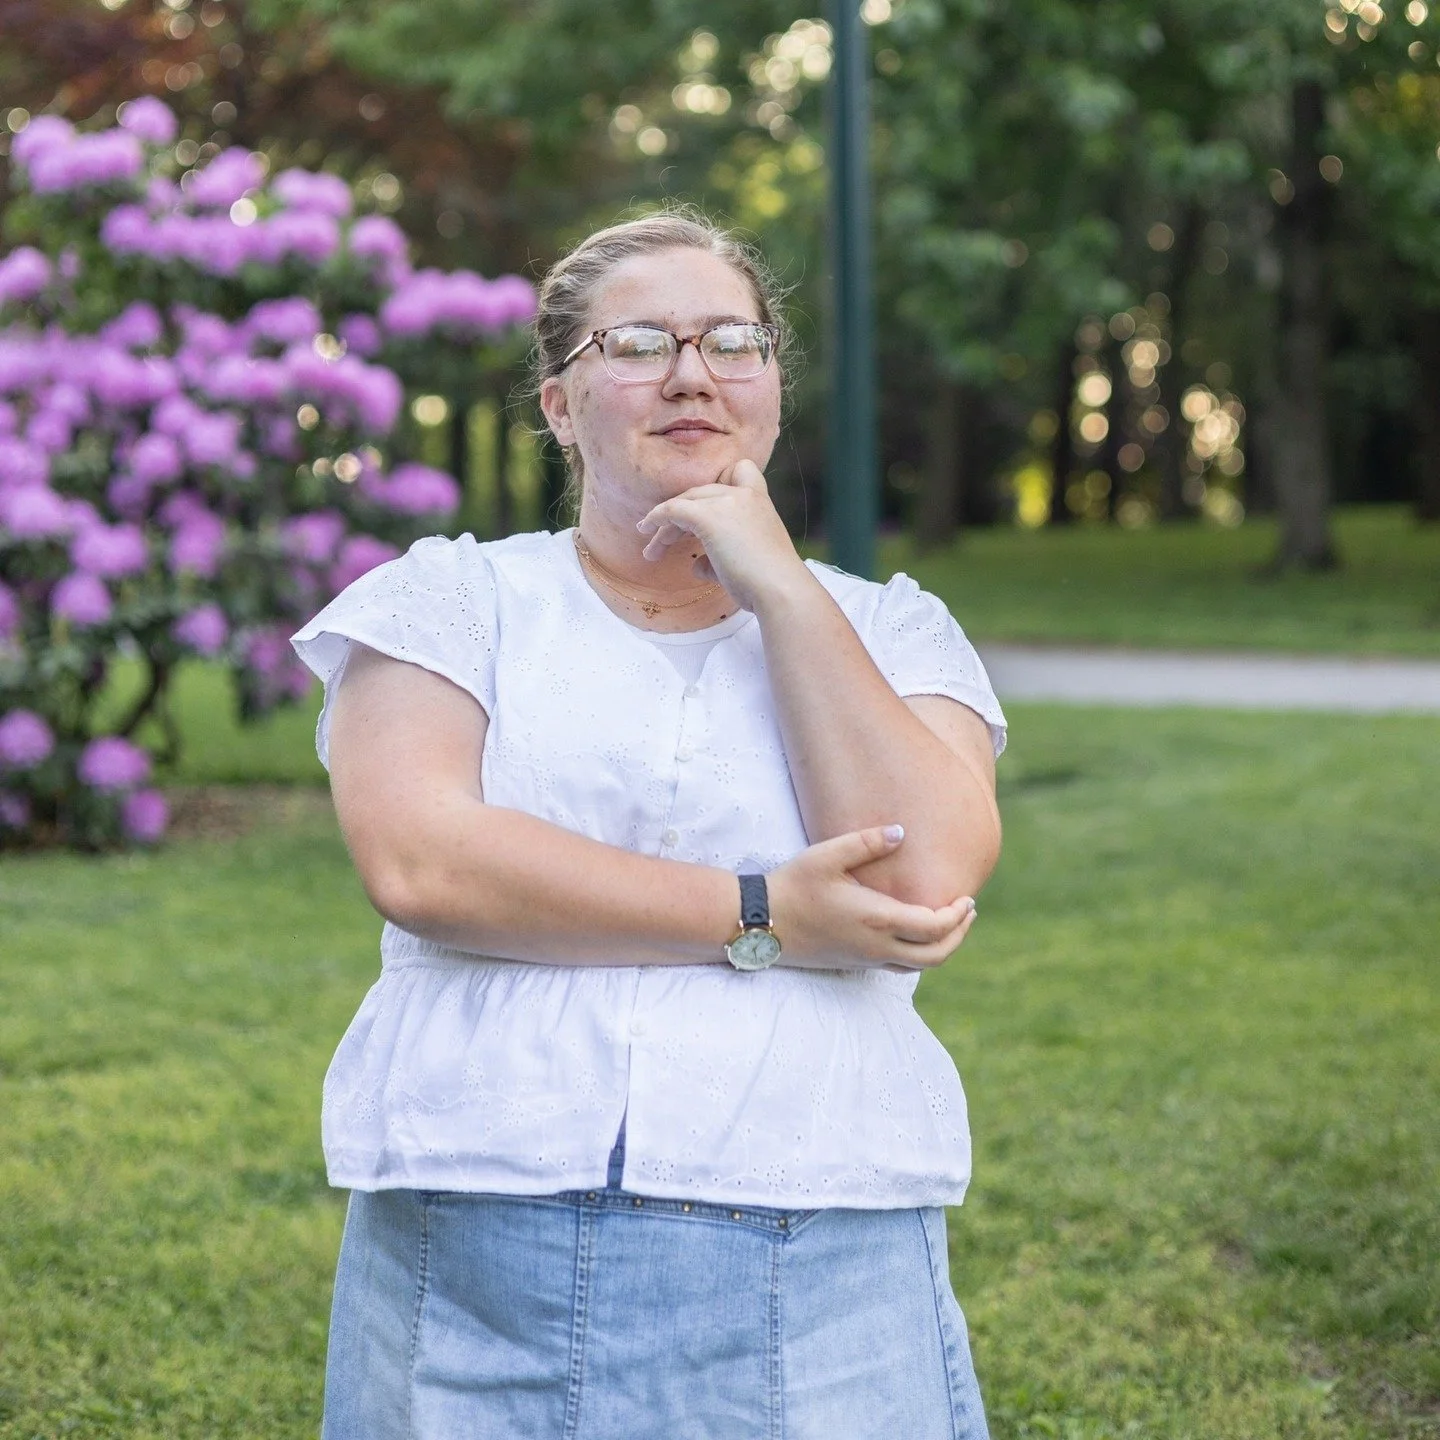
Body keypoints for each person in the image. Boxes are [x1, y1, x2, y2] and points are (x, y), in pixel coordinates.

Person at [291, 210, 1006, 1440]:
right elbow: (423, 860)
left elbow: (923, 874)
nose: (690, 372)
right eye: (635, 343)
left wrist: (777, 583)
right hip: (484, 1234)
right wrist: (765, 912)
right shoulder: (448, 602)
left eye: (733, 339)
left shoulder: (890, 628)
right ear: (561, 403)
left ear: (773, 386)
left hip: (823, 1246)